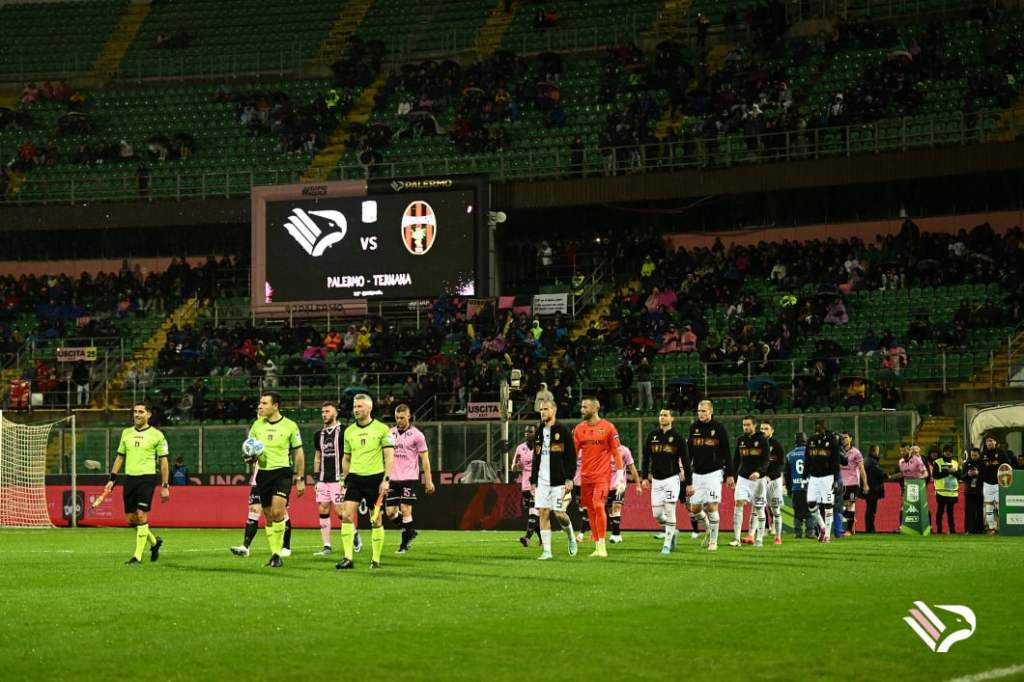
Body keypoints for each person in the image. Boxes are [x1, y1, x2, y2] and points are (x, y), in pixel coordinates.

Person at [102, 402, 169, 564]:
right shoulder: (126, 433)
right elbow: (120, 457)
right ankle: (154, 543)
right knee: (131, 519)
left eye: (141, 412)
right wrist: (112, 479)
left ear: (149, 415)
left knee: (141, 514)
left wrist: (165, 486)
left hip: (147, 478)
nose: (137, 415)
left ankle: (137, 556)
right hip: (129, 479)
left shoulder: (157, 435)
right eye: (135, 412)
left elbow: (164, 461)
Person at [245, 392, 304, 567]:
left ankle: (277, 554)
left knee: (278, 512)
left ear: (275, 406)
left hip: (282, 473)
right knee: (269, 517)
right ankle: (274, 554)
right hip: (263, 473)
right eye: (259, 403)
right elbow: (249, 450)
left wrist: (300, 477)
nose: (260, 406)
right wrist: (249, 458)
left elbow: (299, 452)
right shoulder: (257, 425)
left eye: (264, 403)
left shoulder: (290, 426)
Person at [336, 394, 394, 570]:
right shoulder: (349, 431)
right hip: (354, 479)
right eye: (354, 406)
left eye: (360, 406)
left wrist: (386, 480)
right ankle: (348, 558)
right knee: (346, 515)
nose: (356, 409)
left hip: (375, 479)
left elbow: (389, 456)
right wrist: (344, 478)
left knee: (375, 520)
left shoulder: (382, 429)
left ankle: (375, 560)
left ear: (369, 408)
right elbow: (346, 458)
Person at [529, 399, 578, 560]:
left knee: (559, 514)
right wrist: (533, 481)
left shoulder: (563, 431)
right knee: (543, 513)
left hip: (559, 480)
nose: (542, 412)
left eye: (546, 409)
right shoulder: (539, 432)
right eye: (541, 409)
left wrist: (570, 478)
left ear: (554, 410)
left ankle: (570, 535)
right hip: (542, 481)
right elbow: (535, 457)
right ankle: (547, 551)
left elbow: (572, 457)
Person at [573, 398, 623, 557]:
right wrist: (567, 475)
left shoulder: (608, 427)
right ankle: (598, 547)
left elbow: (616, 452)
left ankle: (602, 546)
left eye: (585, 407)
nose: (581, 410)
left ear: (595, 408)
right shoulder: (579, 429)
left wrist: (621, 477)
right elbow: (573, 455)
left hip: (602, 476)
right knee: (591, 510)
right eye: (581, 406)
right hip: (585, 477)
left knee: (598, 505)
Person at [312, 401, 361, 556]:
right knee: (323, 508)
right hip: (323, 479)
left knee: (341, 512)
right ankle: (327, 545)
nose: (324, 414)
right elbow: (318, 456)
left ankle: (354, 534)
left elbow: (350, 455)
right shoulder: (317, 434)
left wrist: (347, 478)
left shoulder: (345, 431)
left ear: (335, 413)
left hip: (339, 479)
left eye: (327, 411)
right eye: (322, 412)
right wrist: (316, 477)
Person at [386, 404, 435, 553]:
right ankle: (410, 530)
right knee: (390, 512)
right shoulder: (390, 433)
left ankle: (404, 544)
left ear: (409, 416)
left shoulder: (417, 435)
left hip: (409, 478)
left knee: (405, 509)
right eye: (397, 417)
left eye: (402, 417)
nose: (399, 420)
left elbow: (425, 460)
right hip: (392, 478)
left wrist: (429, 480)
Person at [684, 399, 732, 551]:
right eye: (699, 411)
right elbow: (689, 452)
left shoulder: (718, 429)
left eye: (704, 411)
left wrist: (730, 474)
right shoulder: (694, 428)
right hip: (697, 473)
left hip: (714, 472)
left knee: (711, 506)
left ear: (711, 411)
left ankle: (713, 541)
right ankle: (709, 530)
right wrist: (685, 471)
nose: (701, 414)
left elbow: (727, 453)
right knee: (695, 508)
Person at [641, 408, 686, 554]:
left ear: (672, 418)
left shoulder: (678, 437)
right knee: (657, 515)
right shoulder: (652, 436)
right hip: (656, 480)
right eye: (660, 415)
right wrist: (644, 477)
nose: (662, 417)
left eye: (665, 415)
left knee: (670, 509)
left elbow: (685, 460)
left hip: (672, 478)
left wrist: (689, 482)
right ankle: (672, 531)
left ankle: (666, 545)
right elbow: (645, 458)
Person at [730, 416, 770, 547]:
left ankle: (759, 539)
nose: (745, 427)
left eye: (748, 425)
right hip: (743, 478)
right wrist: (732, 476)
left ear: (754, 425)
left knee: (759, 508)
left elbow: (766, 460)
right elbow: (736, 460)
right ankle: (736, 539)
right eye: (744, 425)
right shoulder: (740, 440)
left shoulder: (762, 439)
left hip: (759, 480)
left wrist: (758, 472)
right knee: (738, 504)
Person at [805, 420, 844, 543]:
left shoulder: (832, 441)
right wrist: (804, 476)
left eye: (820, 427)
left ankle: (827, 534)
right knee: (810, 504)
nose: (818, 429)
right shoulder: (811, 441)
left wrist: (836, 479)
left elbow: (836, 462)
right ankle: (822, 526)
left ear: (824, 428)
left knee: (828, 505)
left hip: (827, 477)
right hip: (814, 478)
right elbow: (807, 459)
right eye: (816, 427)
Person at [607, 443, 642, 544]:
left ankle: (615, 535)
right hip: (606, 484)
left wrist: (638, 484)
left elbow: (632, 468)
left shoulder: (624, 450)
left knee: (616, 506)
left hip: (620, 484)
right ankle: (617, 533)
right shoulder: (604, 450)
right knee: (610, 510)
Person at [511, 424, 540, 547]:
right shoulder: (520, 448)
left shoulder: (540, 447)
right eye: (526, 431)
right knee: (532, 512)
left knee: (534, 509)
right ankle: (542, 538)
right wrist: (516, 467)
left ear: (535, 433)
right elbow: (513, 467)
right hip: (525, 484)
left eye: (530, 431)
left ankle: (527, 538)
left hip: (538, 484)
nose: (527, 433)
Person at [759, 418, 786, 545]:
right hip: (761, 480)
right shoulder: (757, 444)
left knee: (775, 509)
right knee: (759, 507)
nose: (763, 431)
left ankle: (778, 537)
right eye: (761, 429)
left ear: (772, 431)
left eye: (766, 429)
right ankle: (761, 531)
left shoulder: (776, 445)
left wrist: (770, 477)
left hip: (774, 481)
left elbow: (780, 465)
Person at [980, 435, 1013, 535]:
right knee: (989, 507)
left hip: (999, 484)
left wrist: (997, 464)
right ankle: (991, 528)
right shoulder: (983, 454)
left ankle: (1002, 527)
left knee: (999, 507)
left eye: (991, 441)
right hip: (987, 484)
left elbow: (1008, 465)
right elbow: (981, 467)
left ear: (995, 442)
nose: (989, 443)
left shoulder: (1001, 452)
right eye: (987, 441)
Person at [784, 432, 815, 539]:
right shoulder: (811, 453)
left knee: (798, 511)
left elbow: (787, 474)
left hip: (796, 487)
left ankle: (798, 533)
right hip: (809, 487)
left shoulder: (789, 455)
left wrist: (788, 488)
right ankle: (810, 532)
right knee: (810, 510)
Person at [839, 432, 868, 535]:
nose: (844, 439)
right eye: (842, 438)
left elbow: (862, 468)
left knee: (849, 504)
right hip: (840, 482)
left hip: (853, 482)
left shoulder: (856, 452)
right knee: (838, 505)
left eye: (846, 437)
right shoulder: (838, 451)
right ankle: (851, 519)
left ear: (851, 439)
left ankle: (849, 530)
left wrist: (865, 484)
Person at [932, 445, 959, 534]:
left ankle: (952, 530)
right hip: (941, 492)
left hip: (952, 492)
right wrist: (947, 472)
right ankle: (939, 530)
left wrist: (954, 472)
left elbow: (960, 475)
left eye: (950, 451)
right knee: (940, 512)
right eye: (946, 451)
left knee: (950, 513)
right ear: (943, 452)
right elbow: (935, 475)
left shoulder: (955, 463)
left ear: (952, 453)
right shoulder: (937, 462)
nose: (948, 453)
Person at [863, 445, 887, 533]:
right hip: (873, 489)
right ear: (874, 451)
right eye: (877, 451)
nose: (878, 453)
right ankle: (870, 529)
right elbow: (879, 473)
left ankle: (869, 528)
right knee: (871, 510)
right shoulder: (872, 462)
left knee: (869, 509)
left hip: (870, 488)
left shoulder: (867, 460)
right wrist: (886, 475)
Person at [960, 447, 984, 534]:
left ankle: (979, 530)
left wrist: (978, 474)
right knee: (969, 511)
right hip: (969, 491)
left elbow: (986, 477)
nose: (973, 456)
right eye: (972, 455)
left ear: (979, 455)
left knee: (979, 511)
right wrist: (968, 474)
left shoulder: (982, 464)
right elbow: (962, 477)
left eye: (975, 455)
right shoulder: (966, 464)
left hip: (979, 491)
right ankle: (968, 529)